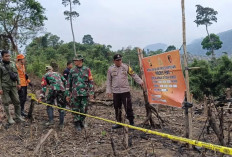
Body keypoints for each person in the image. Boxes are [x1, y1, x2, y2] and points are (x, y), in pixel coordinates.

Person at [106, 54, 144, 129]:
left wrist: (140, 81)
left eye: (120, 60)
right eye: (117, 60)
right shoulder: (110, 69)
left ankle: (131, 123)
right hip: (116, 92)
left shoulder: (126, 67)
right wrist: (108, 91)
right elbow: (108, 80)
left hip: (125, 91)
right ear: (114, 61)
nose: (119, 61)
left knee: (128, 107)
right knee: (117, 107)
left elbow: (134, 75)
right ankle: (119, 123)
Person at [66, 54, 94, 131]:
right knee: (75, 109)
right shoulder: (72, 71)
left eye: (76, 60)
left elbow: (91, 81)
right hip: (75, 94)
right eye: (74, 60)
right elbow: (68, 83)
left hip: (85, 93)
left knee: (84, 109)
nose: (74, 62)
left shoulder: (87, 70)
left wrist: (91, 93)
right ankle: (77, 122)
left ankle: (81, 120)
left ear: (80, 60)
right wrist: (68, 94)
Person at [0, 50, 25, 124]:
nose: (8, 57)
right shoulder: (0, 65)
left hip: (13, 85)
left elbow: (16, 74)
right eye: (6, 56)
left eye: (9, 56)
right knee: (6, 103)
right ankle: (9, 118)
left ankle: (18, 117)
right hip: (5, 86)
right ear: (2, 57)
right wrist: (0, 88)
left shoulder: (13, 64)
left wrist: (19, 83)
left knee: (17, 101)